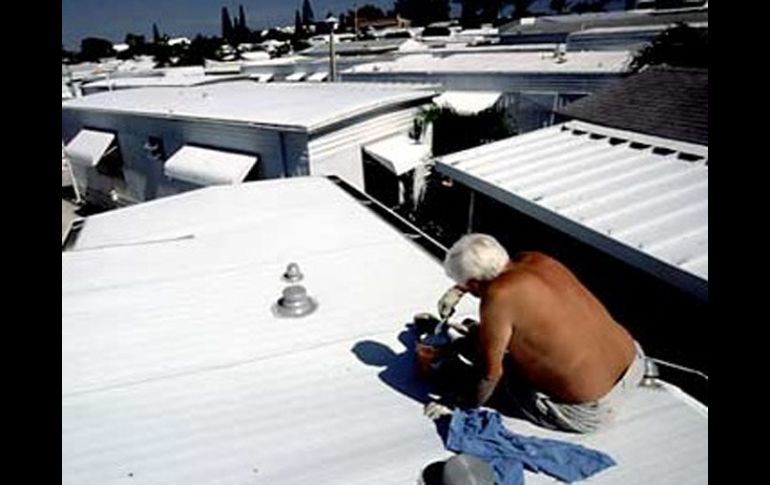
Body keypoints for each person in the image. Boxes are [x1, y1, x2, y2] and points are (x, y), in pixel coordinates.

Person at [434, 234, 646, 433]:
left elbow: (490, 375)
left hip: (592, 410)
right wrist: (459, 289)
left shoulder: (498, 296)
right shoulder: (536, 259)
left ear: (474, 284)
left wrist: (457, 402)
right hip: (634, 364)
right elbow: (497, 274)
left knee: (465, 373)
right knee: (494, 341)